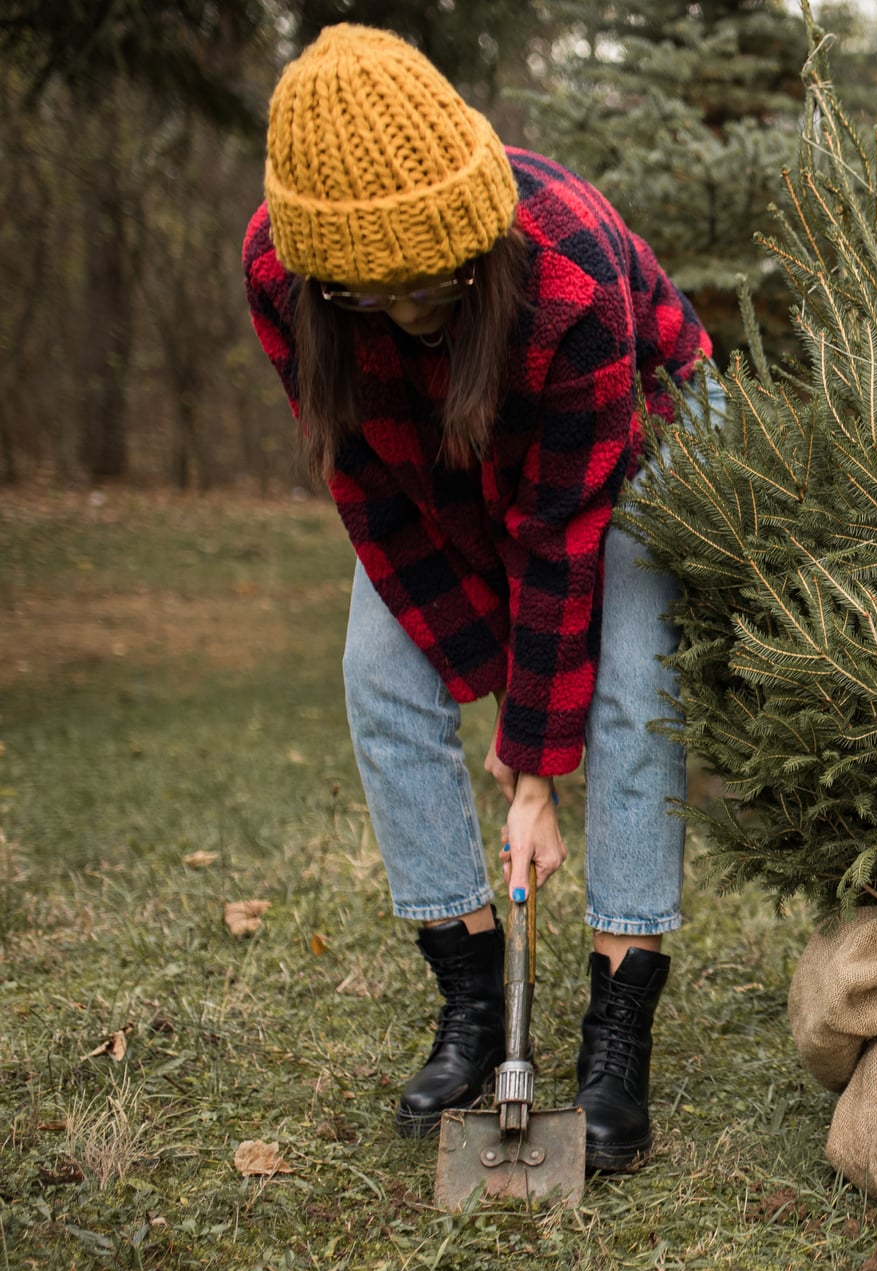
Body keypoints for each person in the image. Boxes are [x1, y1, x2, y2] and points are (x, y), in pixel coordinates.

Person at [242, 24, 721, 1172]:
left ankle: (617, 1028)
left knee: (635, 682)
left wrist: (534, 766)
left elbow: (559, 544)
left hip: (647, 434)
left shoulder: (569, 267)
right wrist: (496, 706)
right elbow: (369, 489)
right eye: (377, 291)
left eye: (439, 279)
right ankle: (468, 997)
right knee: (378, 669)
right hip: (434, 463)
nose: (413, 308)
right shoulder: (283, 271)